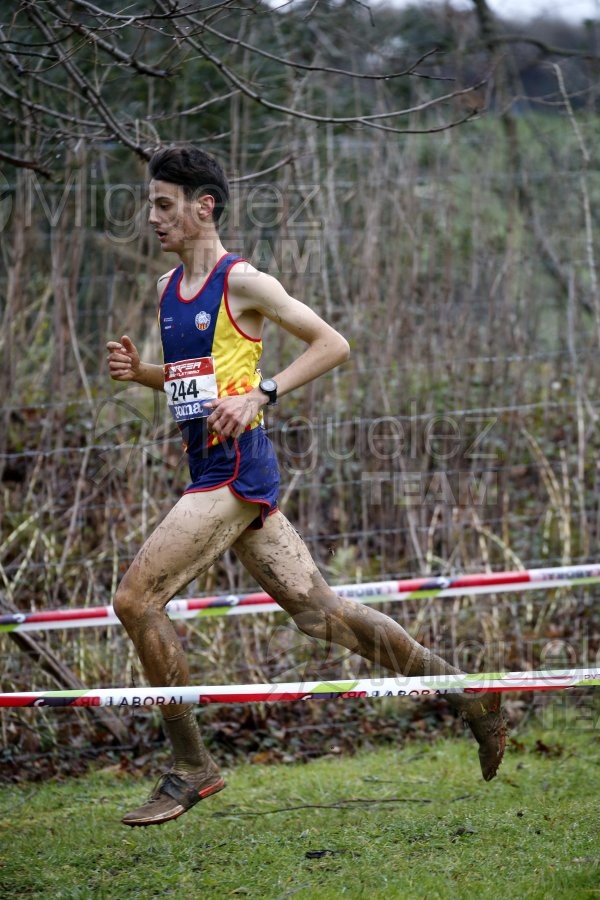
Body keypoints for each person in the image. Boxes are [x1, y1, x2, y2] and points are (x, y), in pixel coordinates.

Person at [107, 146, 507, 827]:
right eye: (151, 205)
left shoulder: (245, 282)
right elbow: (195, 385)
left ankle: (192, 766)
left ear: (204, 206)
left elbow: (332, 344)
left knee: (136, 600)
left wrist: (262, 394)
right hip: (209, 470)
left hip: (237, 470)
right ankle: (468, 695)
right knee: (321, 615)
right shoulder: (167, 288)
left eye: (164, 205)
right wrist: (142, 372)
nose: (152, 218)